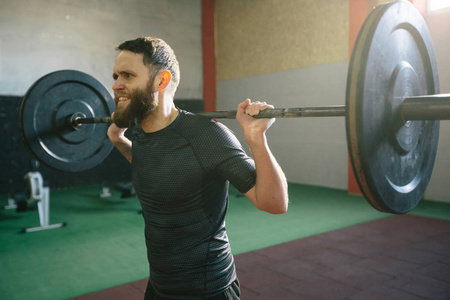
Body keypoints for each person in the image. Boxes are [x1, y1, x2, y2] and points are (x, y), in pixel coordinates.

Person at [107, 37, 288, 300]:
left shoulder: (207, 137)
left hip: (207, 290)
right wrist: (119, 141)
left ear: (161, 81)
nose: (116, 85)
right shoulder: (141, 134)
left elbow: (274, 202)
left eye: (127, 75)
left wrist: (255, 138)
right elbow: (159, 167)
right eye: (115, 76)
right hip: (159, 287)